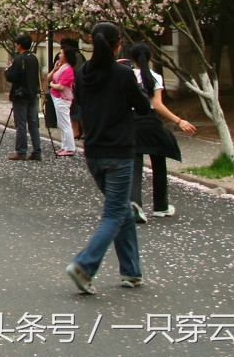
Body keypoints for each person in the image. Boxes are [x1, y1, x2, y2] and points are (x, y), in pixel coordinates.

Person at [66, 22, 152, 295]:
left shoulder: (82, 74)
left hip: (94, 153)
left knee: (122, 209)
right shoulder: (123, 74)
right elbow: (142, 106)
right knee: (116, 211)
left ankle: (131, 272)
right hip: (119, 153)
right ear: (118, 45)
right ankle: (84, 265)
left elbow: (81, 103)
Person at [125, 43, 196, 220]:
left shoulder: (126, 75)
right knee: (159, 164)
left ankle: (135, 204)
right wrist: (179, 121)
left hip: (132, 122)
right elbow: (157, 105)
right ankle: (160, 206)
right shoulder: (155, 77)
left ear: (132, 59)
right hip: (151, 122)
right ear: (149, 58)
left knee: (135, 165)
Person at [4, 34, 42, 161]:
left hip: (20, 95)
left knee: (20, 123)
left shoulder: (19, 59)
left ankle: (21, 151)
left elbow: (12, 76)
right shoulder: (34, 58)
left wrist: (7, 70)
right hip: (32, 93)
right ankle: (37, 151)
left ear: (19, 45)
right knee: (33, 123)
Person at [48, 45, 78, 156]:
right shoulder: (60, 67)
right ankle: (64, 146)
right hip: (57, 97)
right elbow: (48, 77)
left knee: (65, 123)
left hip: (62, 98)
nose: (59, 55)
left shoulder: (68, 70)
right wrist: (54, 69)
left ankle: (70, 148)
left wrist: (51, 85)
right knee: (61, 123)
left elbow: (61, 87)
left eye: (61, 53)